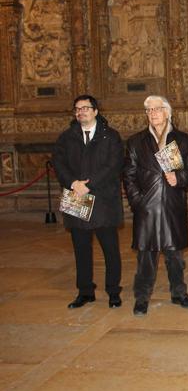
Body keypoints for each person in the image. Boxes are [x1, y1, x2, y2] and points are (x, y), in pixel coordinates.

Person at [123, 95, 188, 316]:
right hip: (146, 207)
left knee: (174, 254)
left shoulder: (184, 140)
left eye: (157, 109)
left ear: (167, 112)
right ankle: (142, 297)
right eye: (148, 110)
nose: (152, 113)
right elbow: (128, 175)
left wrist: (180, 177)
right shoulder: (136, 141)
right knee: (146, 255)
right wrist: (138, 202)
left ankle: (179, 293)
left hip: (172, 204)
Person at [52, 95, 123, 309]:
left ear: (95, 111)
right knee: (81, 249)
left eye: (85, 108)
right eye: (77, 108)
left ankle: (113, 291)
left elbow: (113, 165)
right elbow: (59, 164)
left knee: (110, 249)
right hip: (76, 196)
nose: (80, 111)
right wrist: (73, 183)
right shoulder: (66, 137)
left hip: (103, 200)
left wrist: (89, 185)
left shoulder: (110, 136)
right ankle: (85, 291)